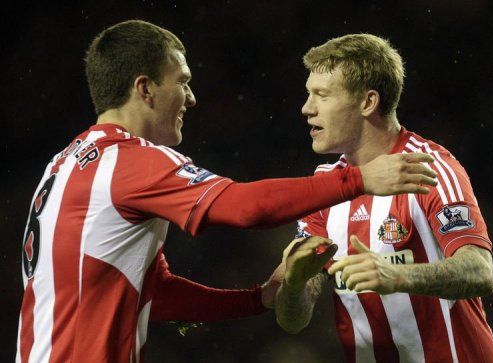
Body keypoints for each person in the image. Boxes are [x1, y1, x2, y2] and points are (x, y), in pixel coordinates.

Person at [16, 21, 437, 363]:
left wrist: (258, 300)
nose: (192, 98)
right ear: (144, 89)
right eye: (181, 82)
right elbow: (244, 207)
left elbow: (158, 295)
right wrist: (358, 180)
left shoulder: (66, 162)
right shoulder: (126, 161)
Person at [274, 34, 493, 363]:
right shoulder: (325, 187)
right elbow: (293, 320)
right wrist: (295, 284)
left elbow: (480, 272)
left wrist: (397, 277)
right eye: (309, 94)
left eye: (321, 95)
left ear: (368, 103)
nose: (306, 108)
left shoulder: (427, 169)